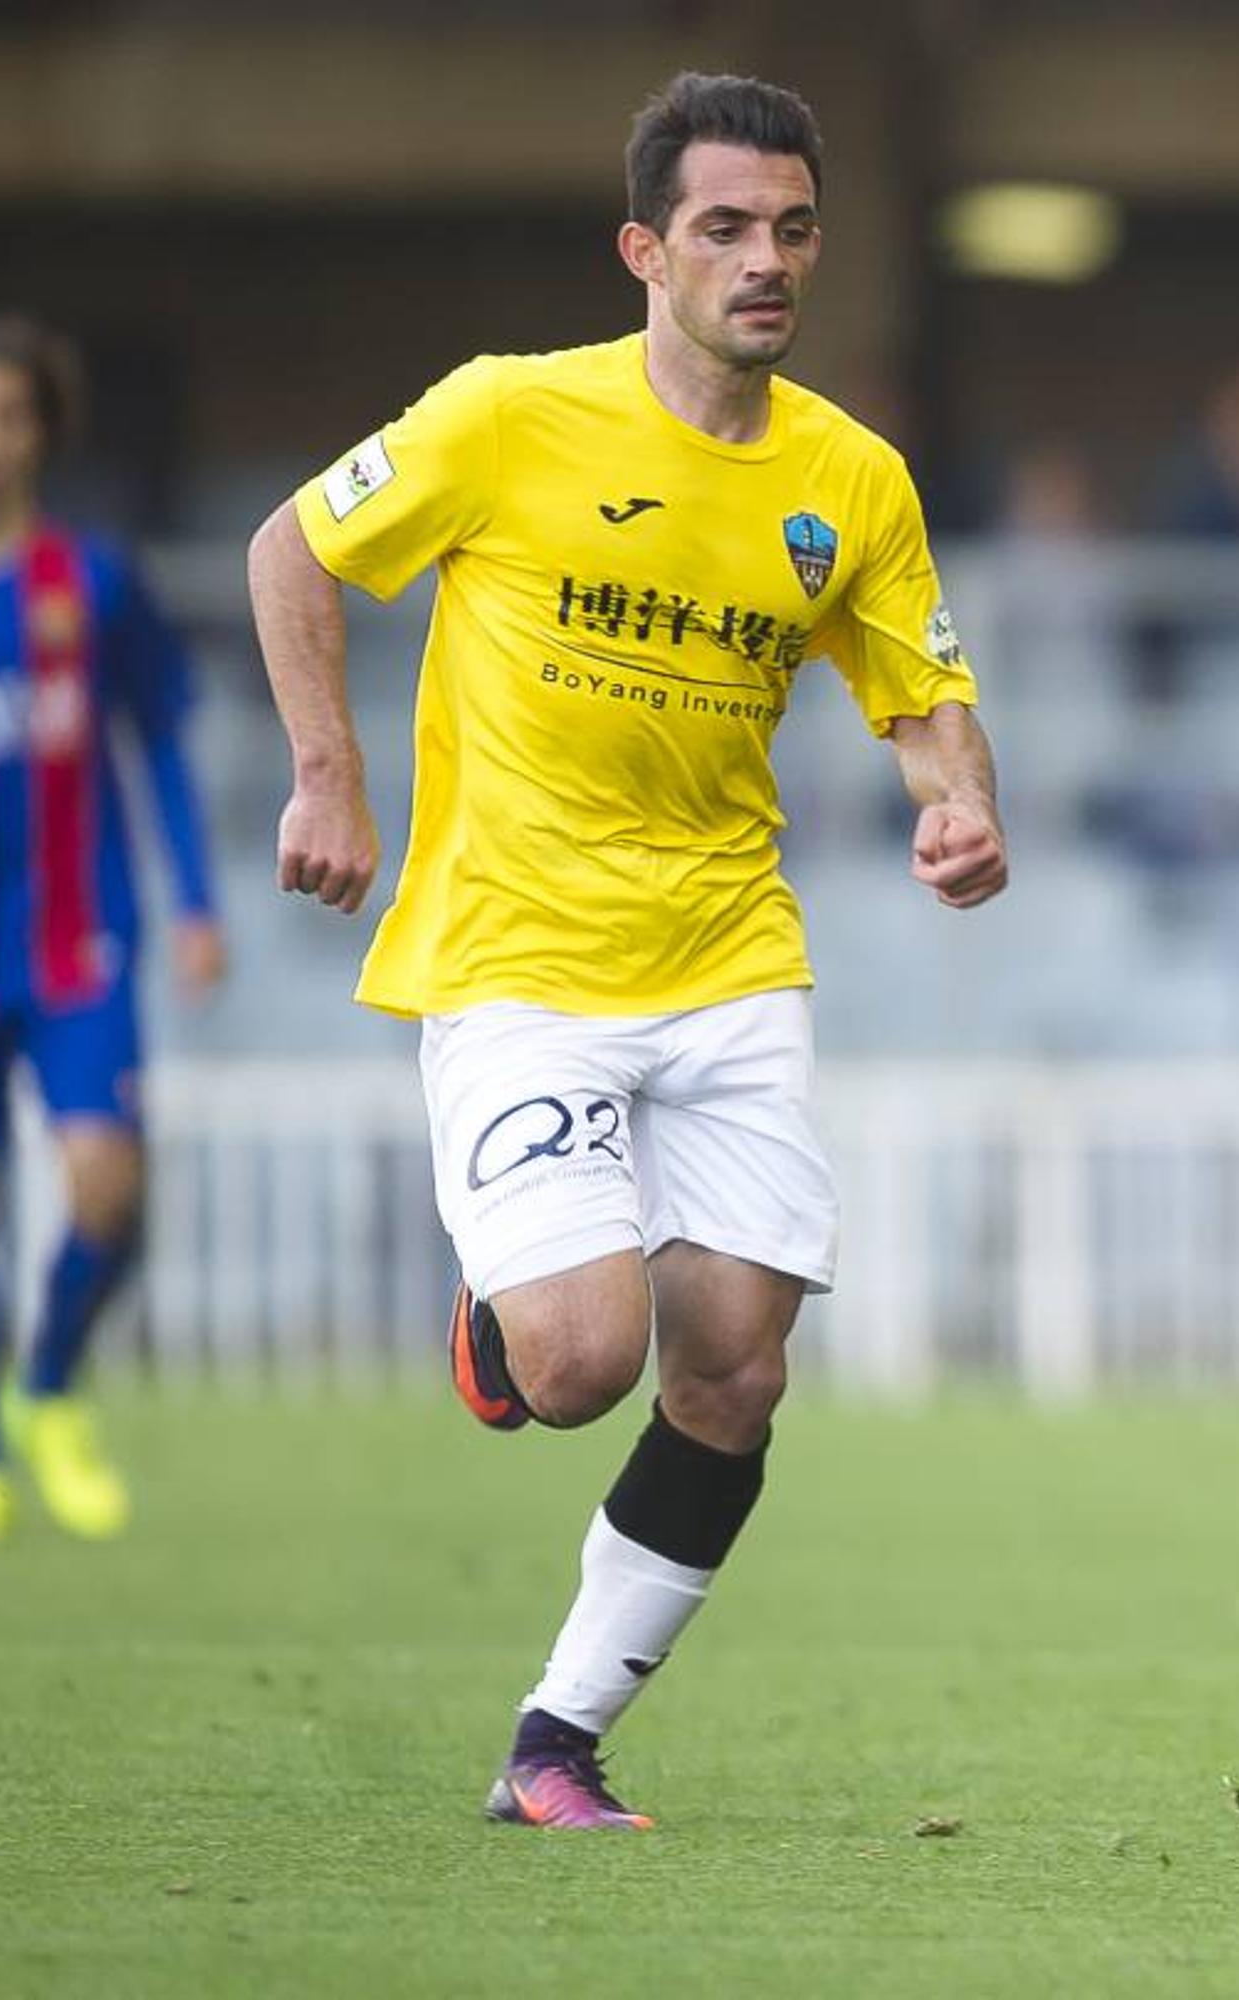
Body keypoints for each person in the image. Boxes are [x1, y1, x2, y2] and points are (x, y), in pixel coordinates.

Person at [246, 72, 1004, 1829]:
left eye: (794, 229)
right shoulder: (509, 418)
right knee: (585, 1365)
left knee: (736, 1366)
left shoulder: (849, 477)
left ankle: (555, 1743)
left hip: (730, 954)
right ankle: (511, 1333)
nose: (767, 261)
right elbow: (292, 546)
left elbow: (926, 693)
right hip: (518, 952)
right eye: (728, 229)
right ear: (644, 250)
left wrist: (954, 802)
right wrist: (328, 777)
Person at [0, 315, 222, 1552]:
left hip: (79, 941)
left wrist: (194, 899)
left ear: (41, 431)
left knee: (109, 1185)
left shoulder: (91, 583)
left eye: (8, 413)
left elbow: (163, 745)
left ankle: (45, 1388)